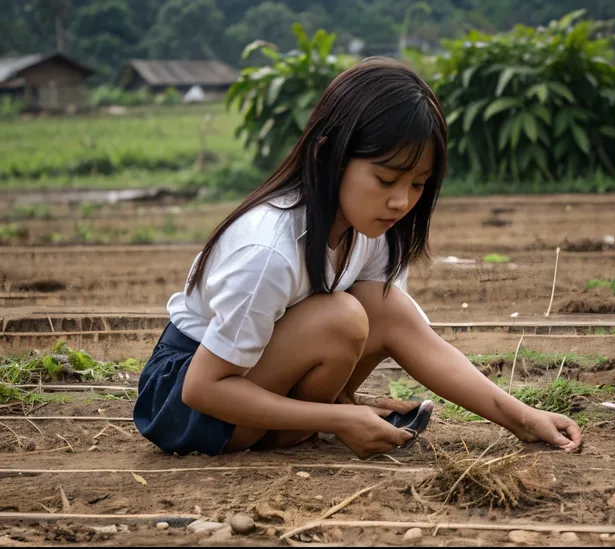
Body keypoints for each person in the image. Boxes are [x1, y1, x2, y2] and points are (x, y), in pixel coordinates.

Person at [133, 57, 583, 459]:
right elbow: (201, 388)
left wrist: (523, 418)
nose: (401, 202)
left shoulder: (371, 230)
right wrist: (339, 420)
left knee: (381, 307)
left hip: (248, 378)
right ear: (330, 152)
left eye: (418, 183)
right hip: (188, 403)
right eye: (386, 179)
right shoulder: (267, 249)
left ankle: (316, 417)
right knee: (343, 316)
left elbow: (413, 337)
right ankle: (318, 419)